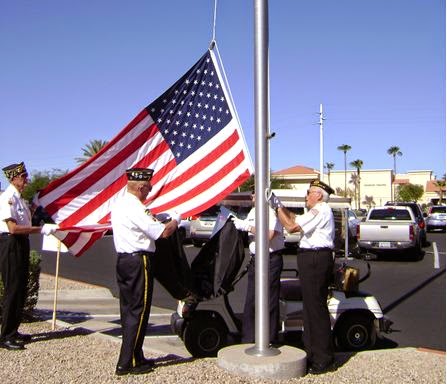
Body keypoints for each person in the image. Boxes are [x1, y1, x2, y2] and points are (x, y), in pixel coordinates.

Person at [111, 167, 181, 376]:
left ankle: (136, 354)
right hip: (138, 261)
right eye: (148, 187)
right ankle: (128, 362)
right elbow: (163, 233)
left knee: (129, 311)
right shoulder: (135, 207)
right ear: (141, 186)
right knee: (138, 311)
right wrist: (176, 219)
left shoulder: (121, 203)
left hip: (124, 261)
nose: (150, 190)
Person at [271, 179, 336, 374]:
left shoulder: (322, 209)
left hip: (316, 258)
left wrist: (276, 208)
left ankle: (324, 358)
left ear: (319, 195)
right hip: (310, 258)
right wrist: (280, 206)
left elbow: (291, 227)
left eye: (309, 192)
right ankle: (312, 353)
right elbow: (295, 218)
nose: (306, 196)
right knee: (309, 307)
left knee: (315, 307)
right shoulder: (313, 212)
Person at [0, 162, 57, 350]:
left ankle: (13, 331)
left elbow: (26, 219)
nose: (26, 180)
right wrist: (41, 229)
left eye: (26, 176)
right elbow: (13, 228)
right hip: (11, 243)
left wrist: (35, 203)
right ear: (13, 178)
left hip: (21, 242)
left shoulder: (19, 199)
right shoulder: (8, 198)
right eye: (23, 177)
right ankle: (6, 335)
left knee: (21, 288)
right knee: (13, 289)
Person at [231, 190, 284, 344]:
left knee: (269, 300)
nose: (252, 197)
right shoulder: (254, 211)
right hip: (256, 259)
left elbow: (269, 235)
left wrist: (247, 227)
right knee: (252, 300)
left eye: (254, 194)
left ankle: (269, 339)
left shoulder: (270, 213)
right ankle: (248, 338)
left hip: (270, 260)